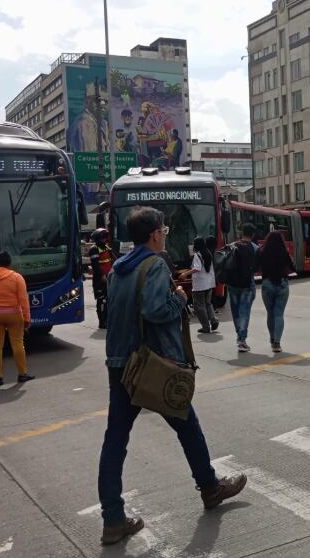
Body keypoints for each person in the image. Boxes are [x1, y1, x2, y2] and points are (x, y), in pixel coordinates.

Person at [98, 206, 246, 546]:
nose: (164, 235)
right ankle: (210, 487)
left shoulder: (119, 268)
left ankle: (113, 520)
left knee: (115, 440)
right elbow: (156, 310)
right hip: (152, 364)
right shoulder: (154, 265)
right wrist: (178, 299)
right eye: (163, 231)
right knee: (187, 423)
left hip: (120, 364)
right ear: (155, 234)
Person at [0, 251, 35, 387]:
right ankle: (22, 374)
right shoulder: (16, 277)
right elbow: (23, 299)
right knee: (17, 343)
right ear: (9, 263)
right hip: (13, 314)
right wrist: (27, 318)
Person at [258, 231, 296, 353]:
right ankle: (277, 343)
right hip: (282, 284)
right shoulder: (284, 251)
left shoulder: (262, 251)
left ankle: (272, 338)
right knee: (279, 314)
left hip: (267, 283)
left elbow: (256, 266)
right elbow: (293, 267)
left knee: (270, 314)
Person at [228, 223, 259, 352]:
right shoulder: (255, 248)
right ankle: (242, 339)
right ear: (253, 234)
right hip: (247, 284)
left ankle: (239, 335)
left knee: (235, 311)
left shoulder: (232, 246)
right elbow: (257, 268)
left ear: (242, 232)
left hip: (232, 284)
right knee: (244, 312)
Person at [190, 236, 218, 334]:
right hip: (209, 284)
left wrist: (185, 274)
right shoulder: (208, 253)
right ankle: (213, 320)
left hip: (200, 285)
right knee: (208, 303)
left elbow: (197, 268)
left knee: (199, 306)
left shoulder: (197, 255)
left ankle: (206, 327)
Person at [89, 228, 114, 329]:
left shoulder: (107, 248)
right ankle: (102, 322)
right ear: (97, 238)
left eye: (105, 237)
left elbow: (113, 260)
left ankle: (107, 320)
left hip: (109, 277)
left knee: (109, 300)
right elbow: (95, 265)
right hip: (99, 279)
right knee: (101, 300)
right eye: (102, 237)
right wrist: (102, 276)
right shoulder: (94, 249)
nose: (104, 239)